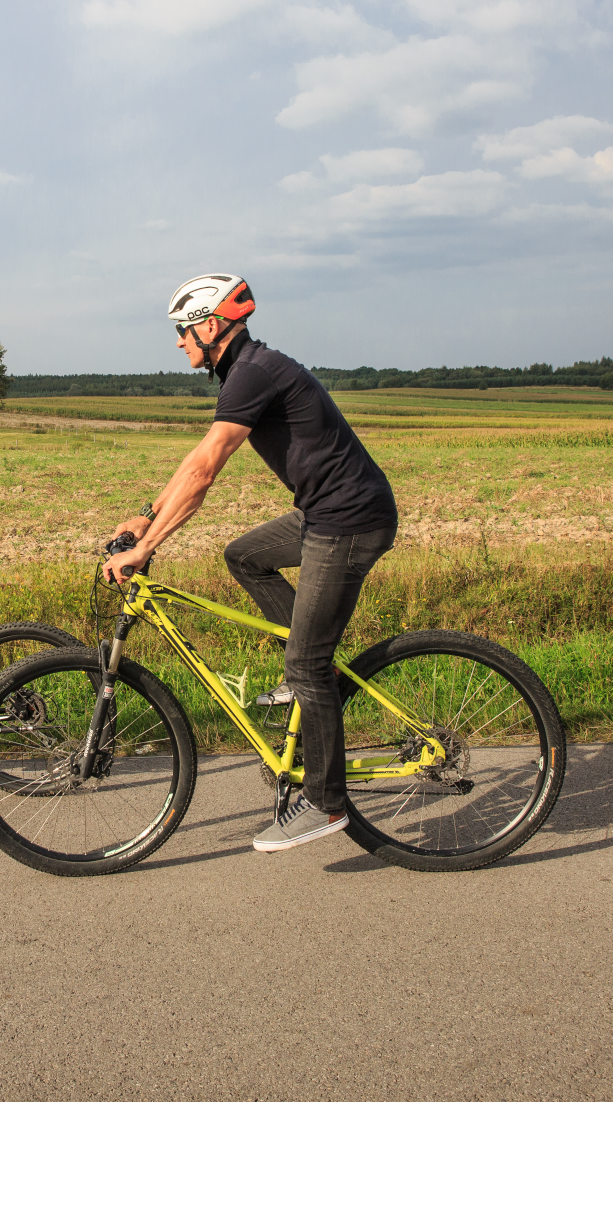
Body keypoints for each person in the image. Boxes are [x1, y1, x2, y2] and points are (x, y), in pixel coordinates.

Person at [105, 273, 398, 852]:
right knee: (244, 556)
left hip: (348, 522)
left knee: (310, 662)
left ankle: (327, 802)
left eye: (183, 331)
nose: (180, 342)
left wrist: (147, 547)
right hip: (322, 513)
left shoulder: (254, 372)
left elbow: (206, 470)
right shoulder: (245, 371)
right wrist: (146, 515)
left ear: (212, 325)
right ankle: (303, 678)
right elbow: (195, 460)